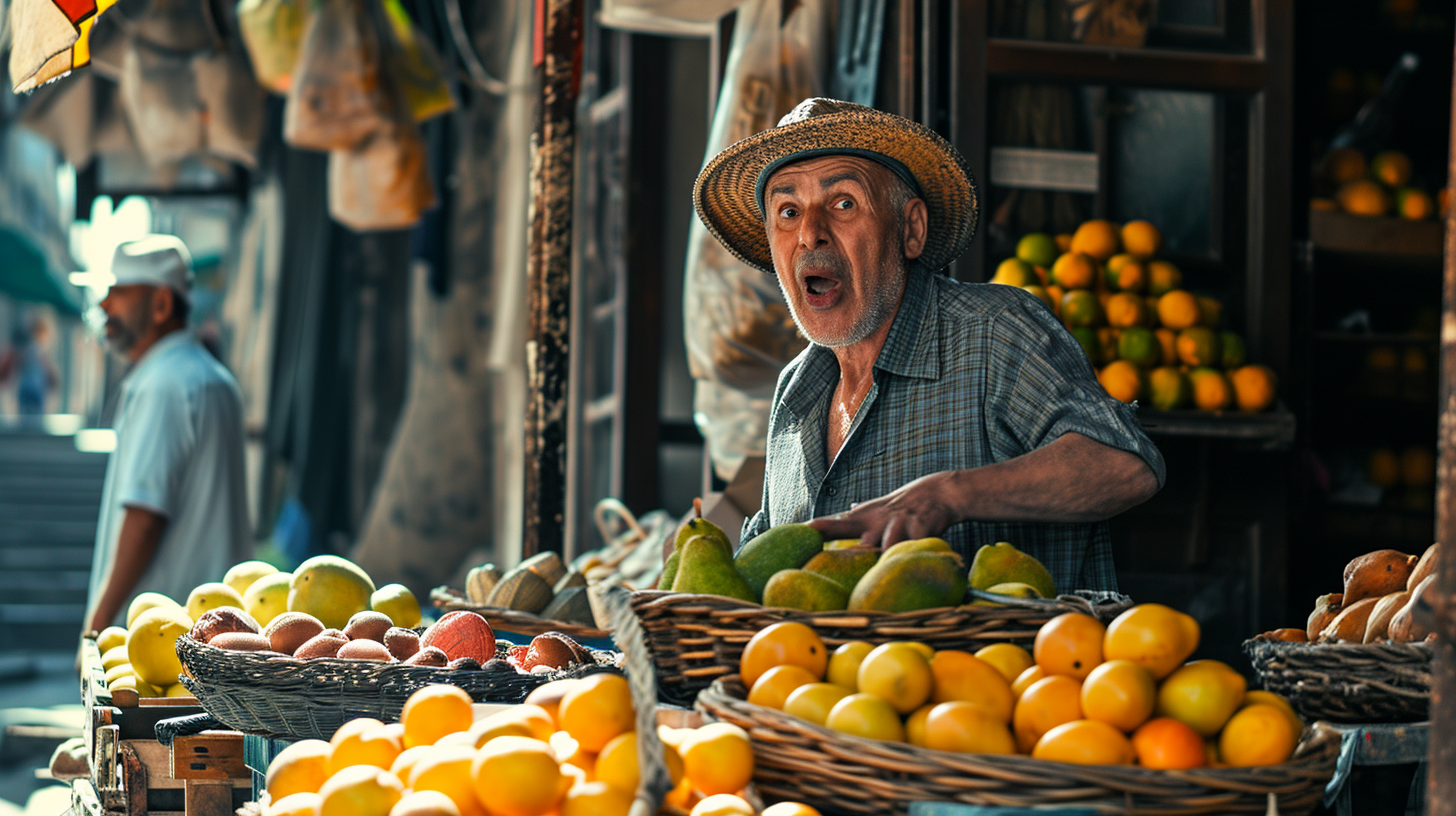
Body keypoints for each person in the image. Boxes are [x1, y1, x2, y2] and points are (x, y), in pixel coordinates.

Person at [694, 99, 1165, 592]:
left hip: (1007, 667)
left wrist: (950, 495)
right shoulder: (797, 390)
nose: (810, 233)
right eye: (787, 212)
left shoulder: (994, 331)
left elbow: (1125, 467)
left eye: (844, 204)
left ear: (910, 229)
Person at [84, 235, 252, 632]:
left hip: (161, 637)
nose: (105, 304)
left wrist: (98, 622)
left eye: (120, 291)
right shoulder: (210, 377)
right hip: (212, 635)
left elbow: (144, 517)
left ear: (160, 304)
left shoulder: (165, 384)